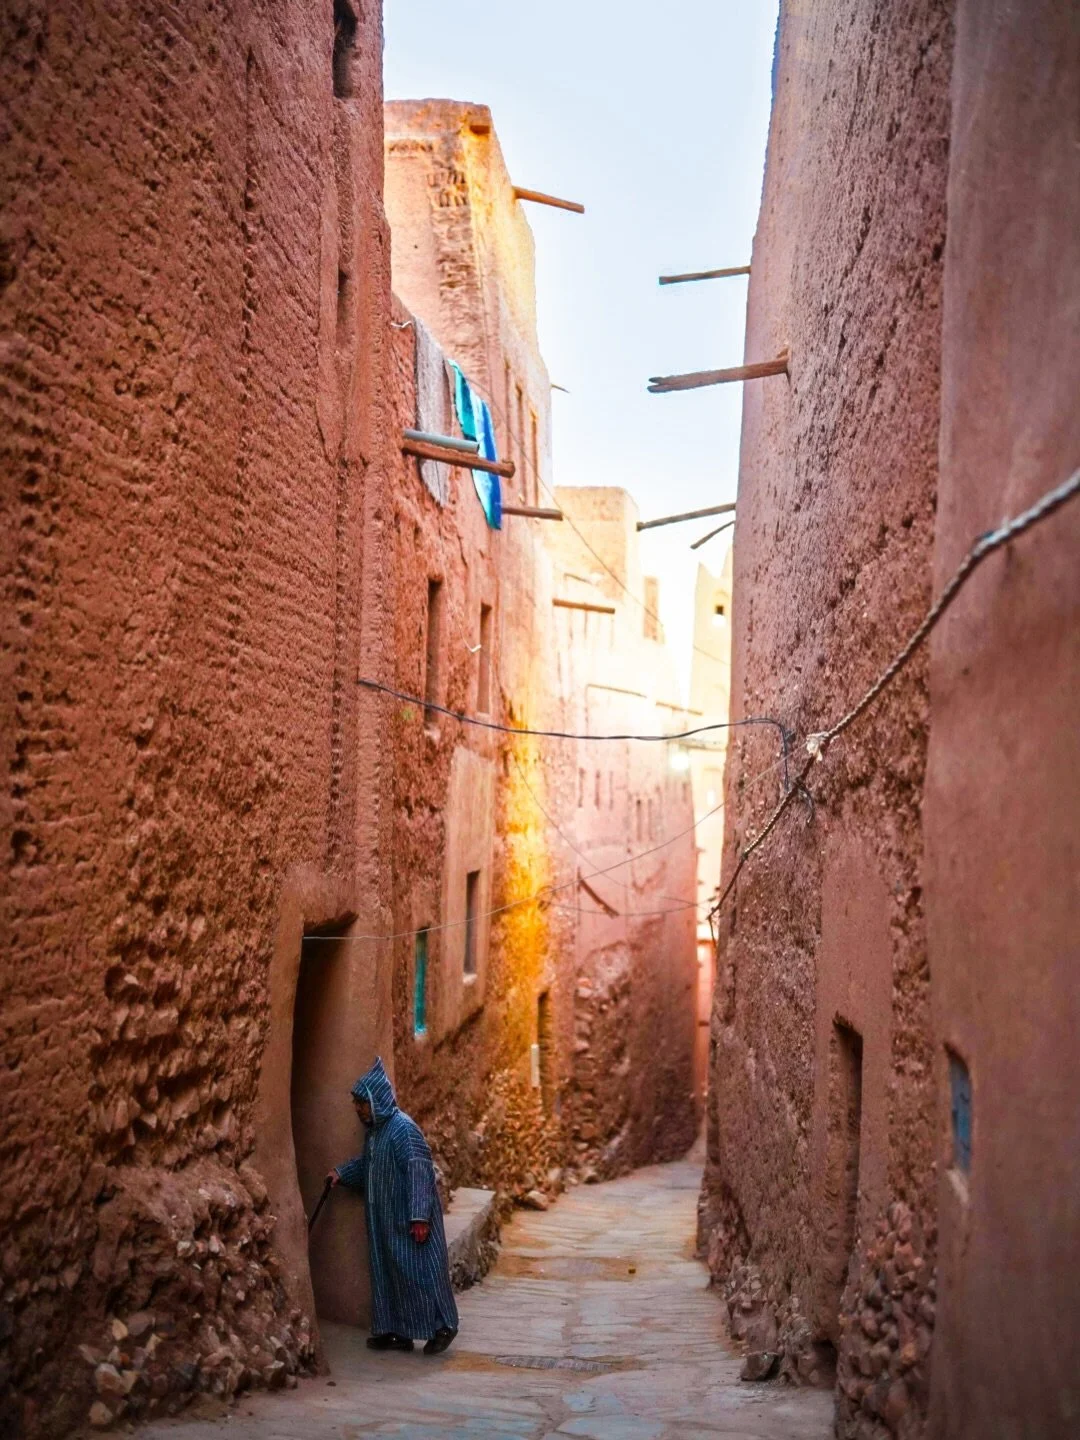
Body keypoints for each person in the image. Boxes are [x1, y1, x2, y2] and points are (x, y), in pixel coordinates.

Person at [326, 1057, 459, 1355]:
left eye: (362, 1103)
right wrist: (342, 1174)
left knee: (421, 1273)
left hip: (409, 1222)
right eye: (357, 1104)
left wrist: (419, 1217)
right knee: (388, 1276)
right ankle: (397, 1331)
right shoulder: (375, 1135)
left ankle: (443, 1325)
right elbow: (369, 1166)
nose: (358, 1109)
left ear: (377, 1100)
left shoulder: (403, 1130)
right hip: (384, 1222)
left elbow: (419, 1171)